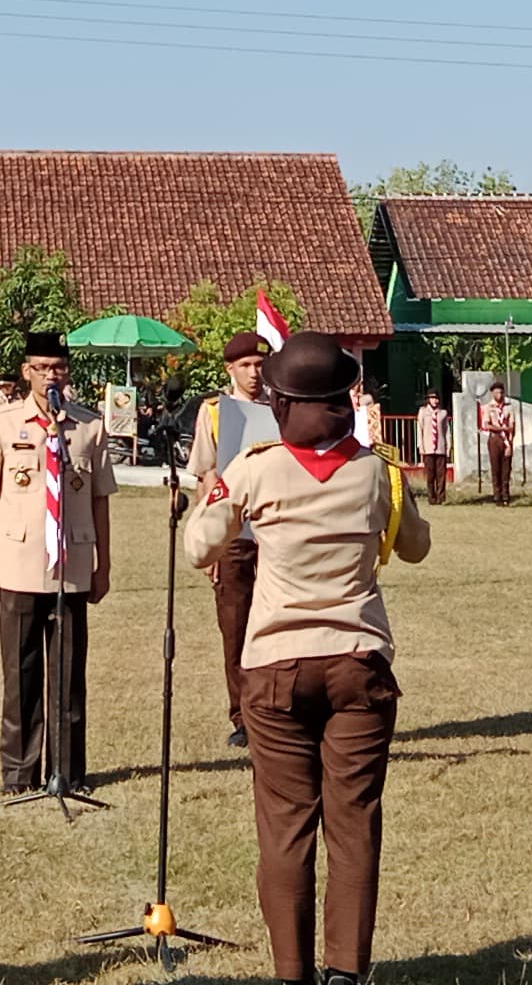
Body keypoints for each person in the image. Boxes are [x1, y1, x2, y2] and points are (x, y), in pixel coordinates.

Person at [184, 332, 429, 985]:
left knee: (286, 829)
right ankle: (346, 969)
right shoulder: (378, 470)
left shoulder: (257, 467)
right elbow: (415, 548)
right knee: (353, 825)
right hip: (358, 658)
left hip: (275, 665)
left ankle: (291, 971)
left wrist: (214, 495)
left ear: (282, 403)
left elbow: (199, 548)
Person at [0, 330, 115, 795]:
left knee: (69, 679)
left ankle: (68, 771)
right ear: (27, 371)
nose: (53, 376)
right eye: (43, 368)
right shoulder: (5, 423)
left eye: (60, 368)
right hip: (17, 562)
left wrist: (103, 565)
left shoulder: (88, 426)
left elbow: (100, 501)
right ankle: (19, 773)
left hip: (71, 565)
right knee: (21, 675)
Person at [188, 332, 276, 750]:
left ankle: (276, 710)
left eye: (259, 365)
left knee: (278, 623)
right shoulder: (215, 412)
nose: (254, 373)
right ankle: (243, 715)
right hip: (233, 534)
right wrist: (210, 542)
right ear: (230, 369)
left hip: (277, 530)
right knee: (235, 626)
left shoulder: (282, 406)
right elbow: (206, 477)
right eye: (245, 366)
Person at [477, 380, 517, 506]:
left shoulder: (509, 407)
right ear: (492, 394)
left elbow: (512, 425)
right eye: (497, 392)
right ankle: (497, 495)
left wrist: (510, 442)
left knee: (506, 469)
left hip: (506, 440)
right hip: (495, 439)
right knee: (496, 469)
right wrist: (502, 429)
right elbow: (487, 424)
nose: (499, 395)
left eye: (501, 392)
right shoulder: (489, 407)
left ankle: (506, 495)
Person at [413, 388, 450, 505]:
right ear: (428, 400)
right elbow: (420, 429)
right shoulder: (423, 412)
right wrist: (421, 446)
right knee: (430, 474)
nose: (435, 401)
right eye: (432, 398)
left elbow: (447, 431)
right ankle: (431, 497)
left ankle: (441, 497)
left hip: (440, 447)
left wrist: (448, 447)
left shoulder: (443, 413)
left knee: (441, 474)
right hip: (428, 447)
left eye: (436, 398)